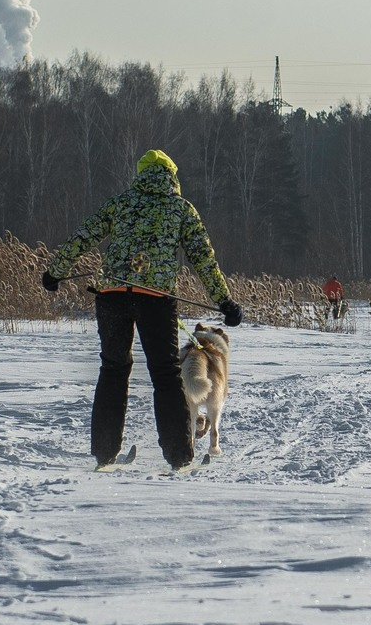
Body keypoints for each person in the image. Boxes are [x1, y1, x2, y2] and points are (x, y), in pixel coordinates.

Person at [41, 149, 242, 472]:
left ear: (141, 175)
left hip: (111, 295)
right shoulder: (180, 209)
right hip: (156, 299)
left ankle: (104, 452)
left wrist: (56, 271)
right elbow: (203, 258)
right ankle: (179, 456)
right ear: (171, 177)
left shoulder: (121, 203)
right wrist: (224, 301)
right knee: (165, 373)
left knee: (113, 370)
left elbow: (84, 236)